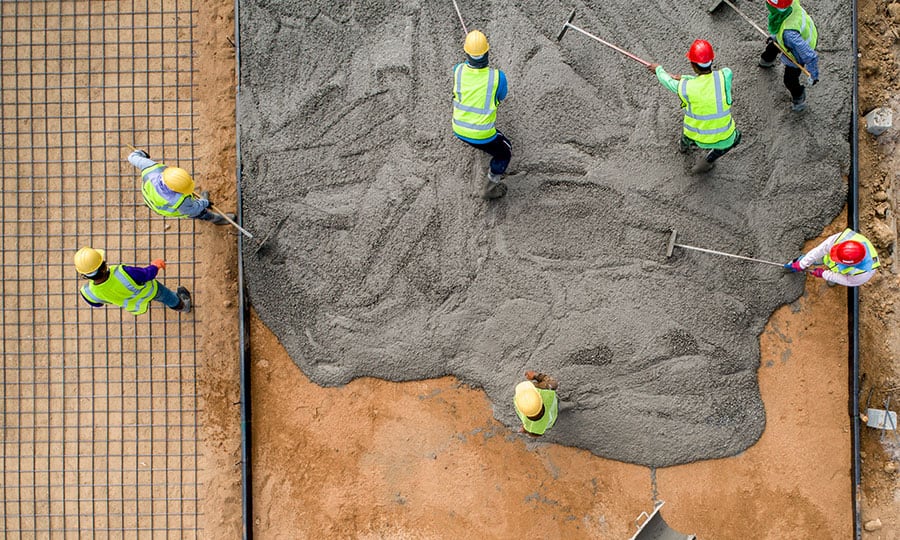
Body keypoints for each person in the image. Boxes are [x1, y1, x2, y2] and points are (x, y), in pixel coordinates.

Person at [648, 40, 741, 175]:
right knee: (735, 138)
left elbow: (668, 82)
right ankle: (708, 160)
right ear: (712, 60)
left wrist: (658, 70)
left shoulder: (686, 87)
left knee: (687, 134)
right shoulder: (725, 75)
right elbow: (711, 79)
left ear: (693, 66)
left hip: (696, 135)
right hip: (723, 138)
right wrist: (685, 78)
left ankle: (683, 146)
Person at [452, 30, 511, 200]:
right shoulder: (498, 77)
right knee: (505, 152)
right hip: (483, 134)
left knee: (484, 143)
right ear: (487, 52)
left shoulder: (458, 71)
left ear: (467, 53)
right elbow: (501, 97)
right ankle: (490, 189)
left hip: (458, 128)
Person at [128, 148, 234, 224]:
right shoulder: (180, 201)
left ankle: (204, 206)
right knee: (201, 213)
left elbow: (132, 157)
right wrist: (204, 203)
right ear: (175, 190)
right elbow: (193, 210)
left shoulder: (151, 168)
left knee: (197, 204)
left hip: (150, 196)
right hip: (164, 207)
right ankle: (215, 219)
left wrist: (140, 153)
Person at [75, 247, 192, 315]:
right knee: (166, 296)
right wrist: (155, 265)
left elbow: (97, 303)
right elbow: (147, 274)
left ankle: (178, 305)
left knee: (157, 297)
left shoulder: (88, 292)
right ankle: (182, 305)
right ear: (103, 265)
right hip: (151, 291)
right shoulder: (123, 272)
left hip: (134, 303)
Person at [758, 0, 819, 112]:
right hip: (801, 32)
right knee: (773, 46)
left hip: (797, 53)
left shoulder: (789, 34)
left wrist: (813, 74)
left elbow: (809, 55)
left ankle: (799, 98)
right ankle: (767, 60)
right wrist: (776, 36)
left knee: (790, 80)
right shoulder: (791, 2)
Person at [783, 228, 880, 287]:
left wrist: (824, 274)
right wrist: (802, 264)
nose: (834, 258)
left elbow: (846, 280)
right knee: (822, 256)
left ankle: (832, 276)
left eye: (837, 259)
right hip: (830, 258)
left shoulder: (862, 275)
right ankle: (821, 260)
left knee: (836, 277)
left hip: (843, 273)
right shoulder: (843, 239)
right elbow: (820, 250)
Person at [513, 371, 559, 436]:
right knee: (555, 408)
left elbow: (535, 434)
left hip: (548, 423)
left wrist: (526, 429)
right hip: (552, 408)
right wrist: (535, 375)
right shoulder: (545, 391)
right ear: (540, 397)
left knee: (550, 420)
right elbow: (553, 384)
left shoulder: (531, 426)